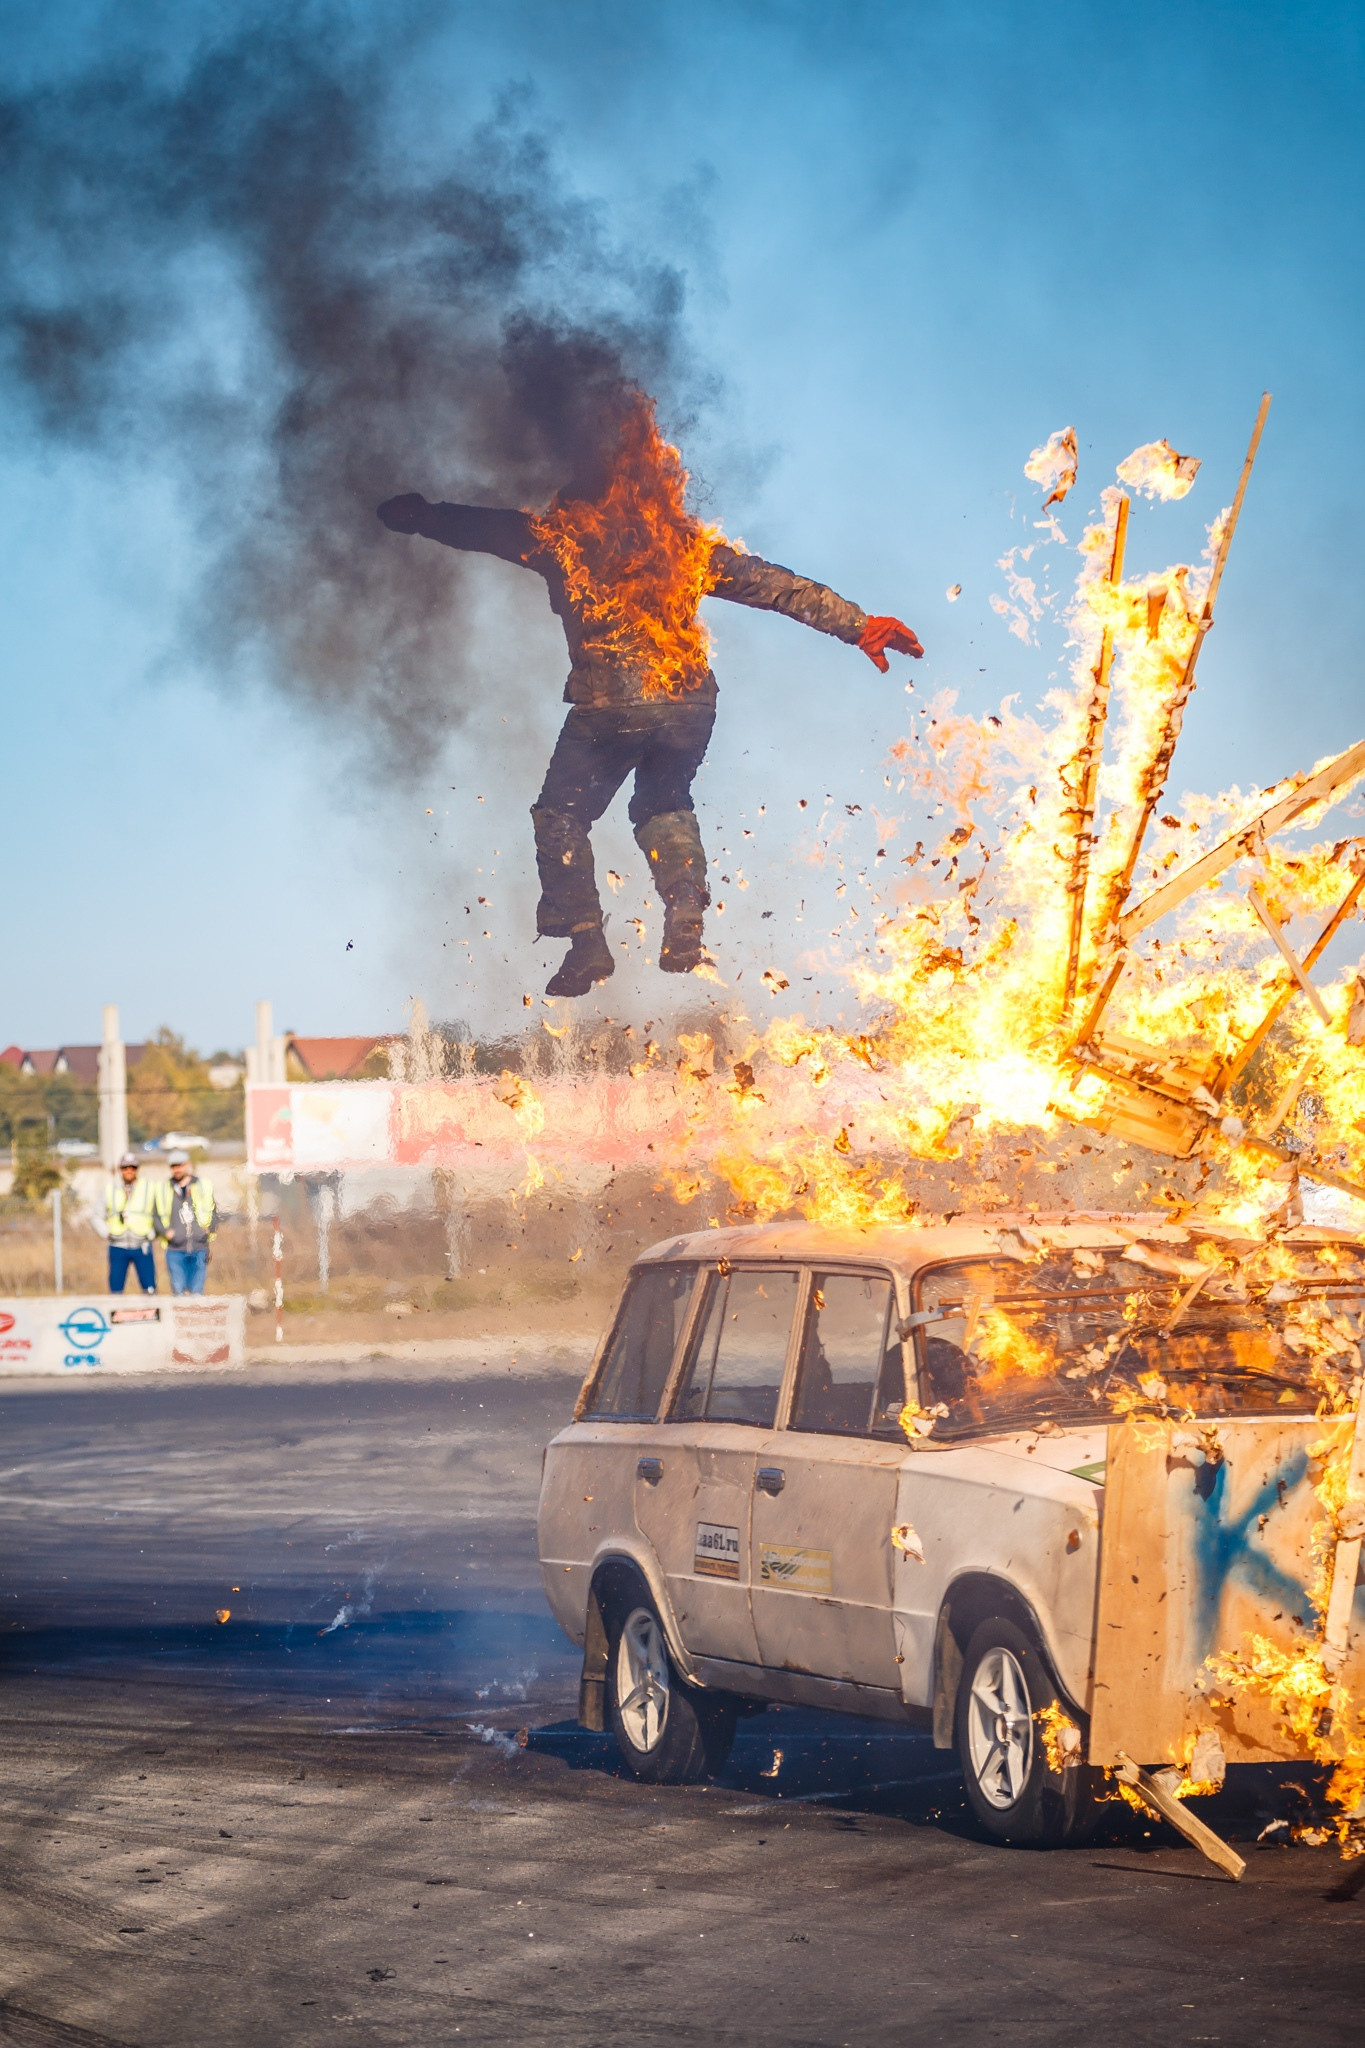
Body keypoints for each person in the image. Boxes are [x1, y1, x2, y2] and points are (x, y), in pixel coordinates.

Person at [378, 391, 923, 997]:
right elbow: (776, 587)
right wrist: (858, 625)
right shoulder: (683, 546)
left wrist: (422, 515)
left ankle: (587, 944)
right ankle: (685, 920)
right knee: (664, 803)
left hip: (612, 704)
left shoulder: (563, 539)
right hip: (691, 703)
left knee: (561, 815)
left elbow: (488, 527)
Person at [153, 1150, 217, 1294]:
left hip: (199, 1247)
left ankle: (196, 1317)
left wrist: (209, 1228)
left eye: (180, 1165)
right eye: (173, 1166)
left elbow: (214, 1210)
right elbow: (155, 1215)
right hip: (175, 1249)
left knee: (197, 1293)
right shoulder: (164, 1188)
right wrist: (165, 1232)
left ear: (187, 1165)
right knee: (178, 1292)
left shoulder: (202, 1185)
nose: (177, 1169)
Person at [103, 1150, 158, 1294]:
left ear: (137, 1169)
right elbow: (96, 1215)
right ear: (120, 1170)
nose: (129, 1171)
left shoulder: (148, 1187)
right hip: (117, 1245)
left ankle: (150, 1315)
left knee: (150, 1290)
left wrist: (153, 1232)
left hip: (142, 1244)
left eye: (132, 1167)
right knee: (115, 1290)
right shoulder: (110, 1189)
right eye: (125, 1167)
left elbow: (159, 1213)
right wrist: (106, 1232)